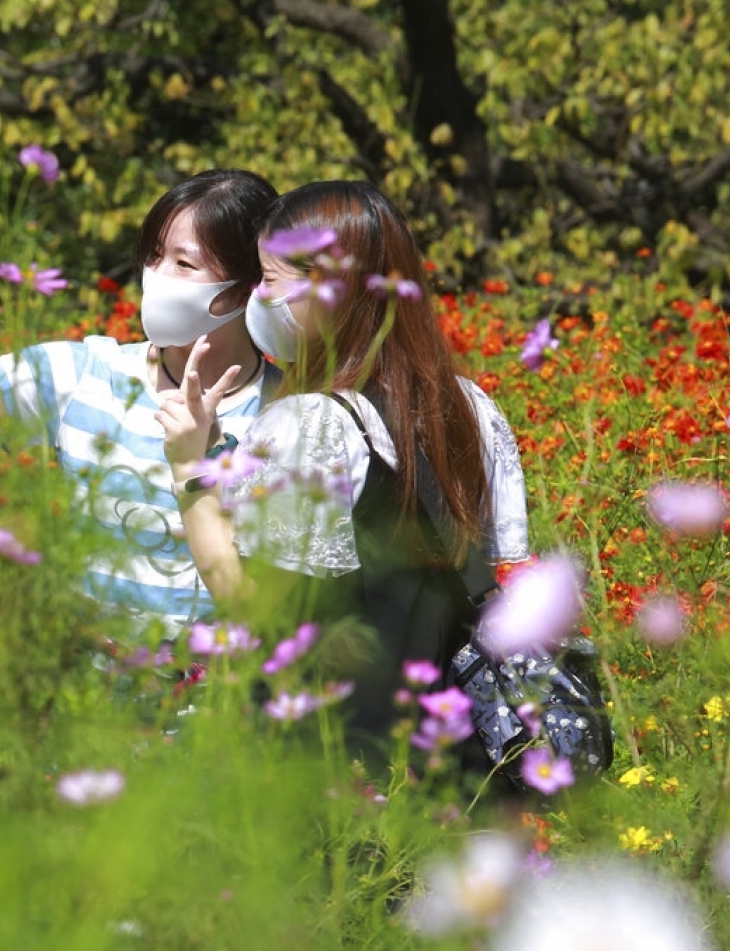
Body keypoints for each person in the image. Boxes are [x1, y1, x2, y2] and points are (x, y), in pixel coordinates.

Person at [0, 169, 281, 638]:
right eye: (154, 256)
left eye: (184, 263)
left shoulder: (284, 414)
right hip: (90, 697)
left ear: (246, 288)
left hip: (209, 699)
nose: (157, 277)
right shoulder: (83, 374)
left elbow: (272, 607)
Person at [155, 180, 529, 744]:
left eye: (271, 280)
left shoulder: (310, 423)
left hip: (335, 757)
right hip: (448, 751)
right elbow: (505, 570)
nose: (260, 298)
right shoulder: (470, 405)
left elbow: (252, 605)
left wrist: (189, 465)